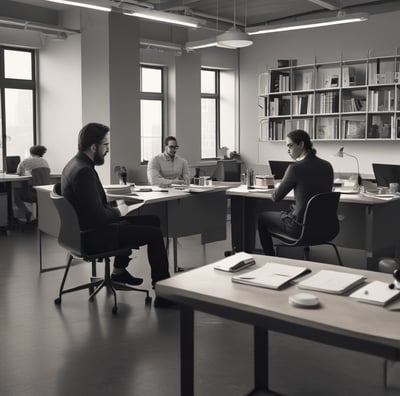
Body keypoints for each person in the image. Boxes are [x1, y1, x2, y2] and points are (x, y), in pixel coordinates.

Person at [61, 122, 173, 308]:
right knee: (154, 234)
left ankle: (119, 272)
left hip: (85, 230)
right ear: (94, 147)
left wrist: (115, 209)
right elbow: (97, 217)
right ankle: (163, 295)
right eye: (106, 145)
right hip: (94, 236)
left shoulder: (74, 164)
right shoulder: (84, 172)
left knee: (153, 220)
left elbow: (90, 208)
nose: (108, 150)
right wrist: (118, 210)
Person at [258, 129, 334, 256]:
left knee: (262, 217)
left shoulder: (295, 168)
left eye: (290, 145)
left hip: (299, 228)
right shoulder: (327, 166)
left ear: (301, 145)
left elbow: (276, 197)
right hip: (325, 227)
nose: (288, 150)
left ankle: (270, 258)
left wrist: (280, 184)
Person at [14, 145, 50, 222]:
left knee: (15, 193)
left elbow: (18, 173)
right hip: (45, 194)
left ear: (31, 152)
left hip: (33, 194)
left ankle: (27, 212)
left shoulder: (25, 161)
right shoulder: (45, 162)